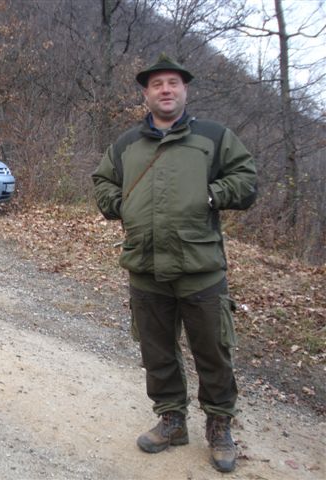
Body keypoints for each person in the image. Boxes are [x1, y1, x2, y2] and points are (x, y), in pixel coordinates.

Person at [92, 53, 257, 473]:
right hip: (145, 266)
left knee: (213, 353)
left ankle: (219, 425)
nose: (165, 90)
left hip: (200, 268)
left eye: (173, 83)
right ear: (146, 94)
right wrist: (120, 205)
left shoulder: (213, 137)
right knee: (157, 352)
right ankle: (171, 420)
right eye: (157, 84)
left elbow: (246, 180)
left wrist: (212, 195)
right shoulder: (127, 144)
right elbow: (103, 180)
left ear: (185, 90)